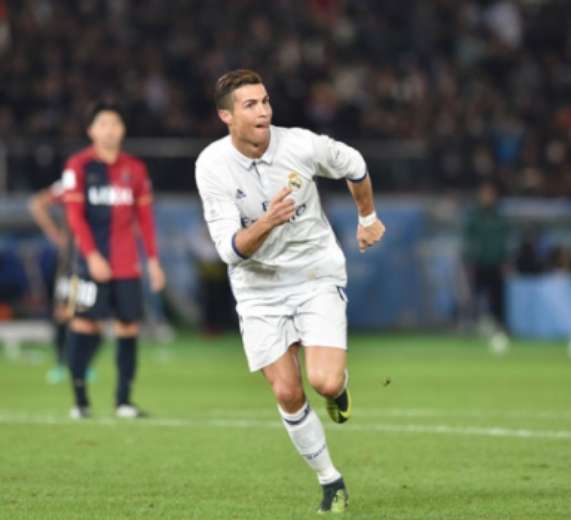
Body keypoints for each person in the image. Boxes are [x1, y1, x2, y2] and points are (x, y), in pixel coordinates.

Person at [194, 69, 385, 514]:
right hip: (258, 288)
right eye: (250, 105)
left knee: (324, 381)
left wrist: (366, 217)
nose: (263, 111)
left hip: (314, 273)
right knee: (287, 393)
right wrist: (267, 221)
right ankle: (330, 481)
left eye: (265, 101)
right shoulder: (211, 165)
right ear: (226, 116)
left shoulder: (301, 144)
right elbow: (229, 250)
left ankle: (338, 390)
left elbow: (354, 165)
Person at [61, 102, 166, 419]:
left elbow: (145, 220)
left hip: (126, 265)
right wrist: (92, 256)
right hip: (88, 264)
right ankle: (80, 402)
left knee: (128, 327)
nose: (109, 129)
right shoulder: (77, 166)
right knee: (83, 324)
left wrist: (152, 261)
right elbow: (75, 218)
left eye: (115, 123)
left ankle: (123, 401)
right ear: (91, 130)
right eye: (103, 123)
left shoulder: (134, 169)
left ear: (122, 130)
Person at [28, 181, 74, 384]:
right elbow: (36, 203)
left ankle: (80, 363)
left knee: (89, 313)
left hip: (98, 255)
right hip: (71, 257)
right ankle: (61, 364)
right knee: (63, 310)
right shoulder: (71, 181)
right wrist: (54, 233)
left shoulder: (107, 180)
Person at [462, 182, 509, 327]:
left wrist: (505, 260)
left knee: (498, 298)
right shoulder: (474, 218)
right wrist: (468, 260)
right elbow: (468, 240)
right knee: (475, 296)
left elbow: (504, 242)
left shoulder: (499, 217)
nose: (488, 198)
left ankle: (499, 325)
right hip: (478, 264)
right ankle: (473, 325)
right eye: (485, 194)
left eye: (490, 195)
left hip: (495, 264)